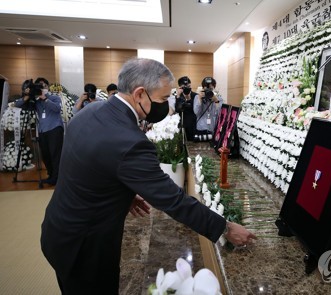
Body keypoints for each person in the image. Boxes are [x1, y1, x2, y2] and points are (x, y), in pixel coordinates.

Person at [40, 58, 256, 294]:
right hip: (85, 248)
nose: (166, 105)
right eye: (163, 98)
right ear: (140, 94)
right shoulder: (130, 141)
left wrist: (121, 189)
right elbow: (173, 200)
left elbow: (85, 164)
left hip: (58, 229)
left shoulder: (91, 110)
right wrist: (224, 228)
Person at [15, 79, 64, 185]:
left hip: (55, 129)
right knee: (45, 155)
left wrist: (44, 98)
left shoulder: (54, 97)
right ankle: (51, 176)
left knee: (55, 155)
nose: (42, 88)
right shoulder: (35, 101)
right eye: (39, 86)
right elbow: (18, 104)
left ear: (47, 86)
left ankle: (58, 178)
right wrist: (27, 95)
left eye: (44, 85)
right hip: (42, 130)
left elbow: (57, 109)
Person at [174, 76, 197, 141]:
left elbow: (196, 110)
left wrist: (189, 99)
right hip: (182, 124)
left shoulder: (195, 96)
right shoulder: (179, 96)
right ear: (180, 87)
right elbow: (177, 110)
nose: (187, 88)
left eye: (188, 86)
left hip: (193, 125)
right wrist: (178, 96)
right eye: (184, 87)